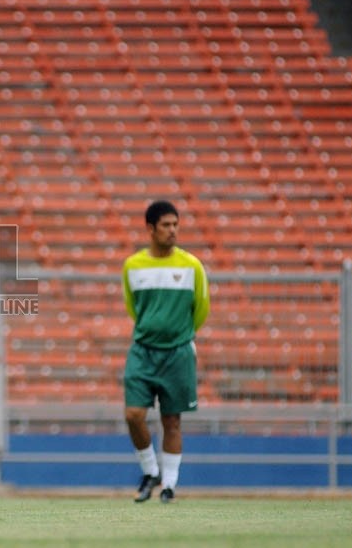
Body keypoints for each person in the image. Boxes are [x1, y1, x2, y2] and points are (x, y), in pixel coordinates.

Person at [121, 200, 209, 503]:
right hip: (143, 351)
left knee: (172, 421)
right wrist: (155, 328)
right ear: (150, 229)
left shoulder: (191, 265)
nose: (173, 230)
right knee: (133, 415)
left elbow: (201, 309)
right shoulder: (133, 266)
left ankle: (169, 485)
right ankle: (150, 471)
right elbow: (134, 308)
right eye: (166, 225)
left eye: (176, 224)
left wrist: (179, 335)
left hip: (178, 352)